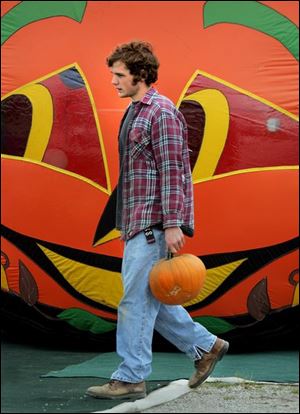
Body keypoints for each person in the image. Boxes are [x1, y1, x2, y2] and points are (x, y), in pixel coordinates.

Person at [86, 40, 229, 400]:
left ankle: (131, 375)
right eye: (113, 74)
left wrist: (172, 224)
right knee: (150, 298)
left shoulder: (161, 112)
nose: (114, 81)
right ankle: (206, 347)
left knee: (134, 302)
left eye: (120, 75)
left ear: (140, 74)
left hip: (152, 224)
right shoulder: (136, 110)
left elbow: (174, 170)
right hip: (137, 221)